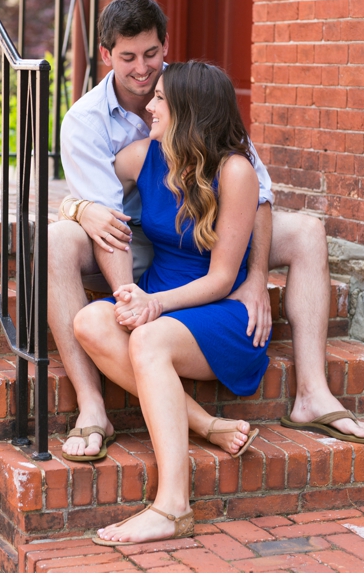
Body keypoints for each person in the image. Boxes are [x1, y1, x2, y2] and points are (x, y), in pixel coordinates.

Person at [49, 0, 364, 464]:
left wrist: (257, 278)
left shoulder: (192, 92)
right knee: (59, 241)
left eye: (152, 54)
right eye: (127, 58)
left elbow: (259, 190)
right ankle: (93, 405)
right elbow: (109, 221)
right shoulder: (87, 122)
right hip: (135, 235)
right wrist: (128, 299)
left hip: (207, 228)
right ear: (105, 56)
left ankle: (312, 392)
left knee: (305, 230)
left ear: (166, 45)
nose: (143, 70)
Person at [73, 61, 267, 544]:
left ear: (189, 110)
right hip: (161, 306)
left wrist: (155, 304)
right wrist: (79, 208)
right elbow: (86, 187)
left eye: (160, 99)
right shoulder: (145, 156)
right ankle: (207, 424)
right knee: (91, 322)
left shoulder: (235, 170)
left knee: (149, 341)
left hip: (218, 312)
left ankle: (173, 506)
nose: (149, 107)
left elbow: (223, 277)